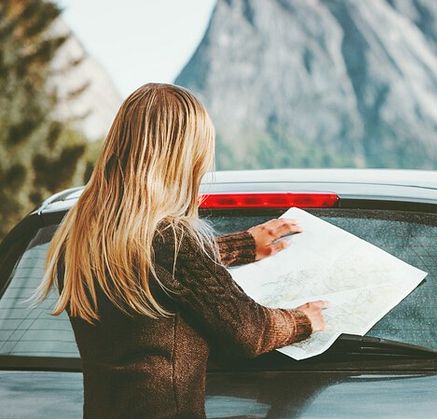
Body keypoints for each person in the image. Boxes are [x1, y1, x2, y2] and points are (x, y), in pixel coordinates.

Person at [33, 83, 328, 418]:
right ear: (183, 158)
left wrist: (243, 245)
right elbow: (249, 331)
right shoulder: (172, 240)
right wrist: (303, 320)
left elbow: (149, 265)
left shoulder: (79, 237)